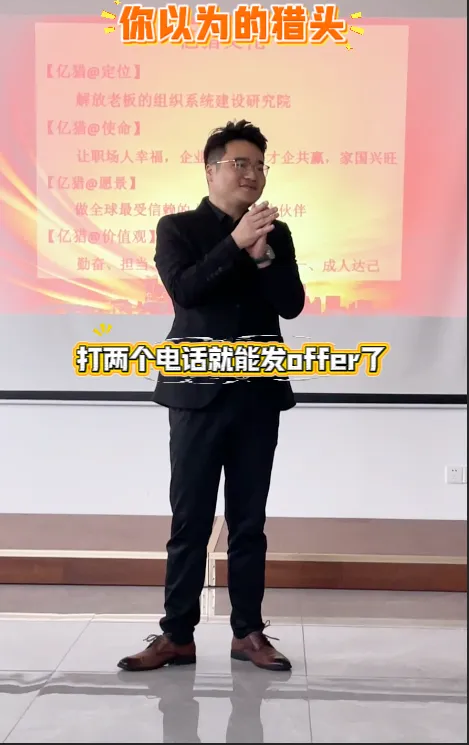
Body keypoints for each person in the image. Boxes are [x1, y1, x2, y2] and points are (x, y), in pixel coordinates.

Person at [118, 119, 305, 673]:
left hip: (257, 393)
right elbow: (187, 290)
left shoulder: (278, 234)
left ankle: (248, 632)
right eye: (240, 164)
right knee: (190, 520)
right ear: (210, 170)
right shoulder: (177, 227)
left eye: (259, 165)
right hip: (195, 393)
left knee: (249, 521)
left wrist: (264, 255)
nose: (252, 174)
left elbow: (291, 304)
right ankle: (177, 635)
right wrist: (235, 244)